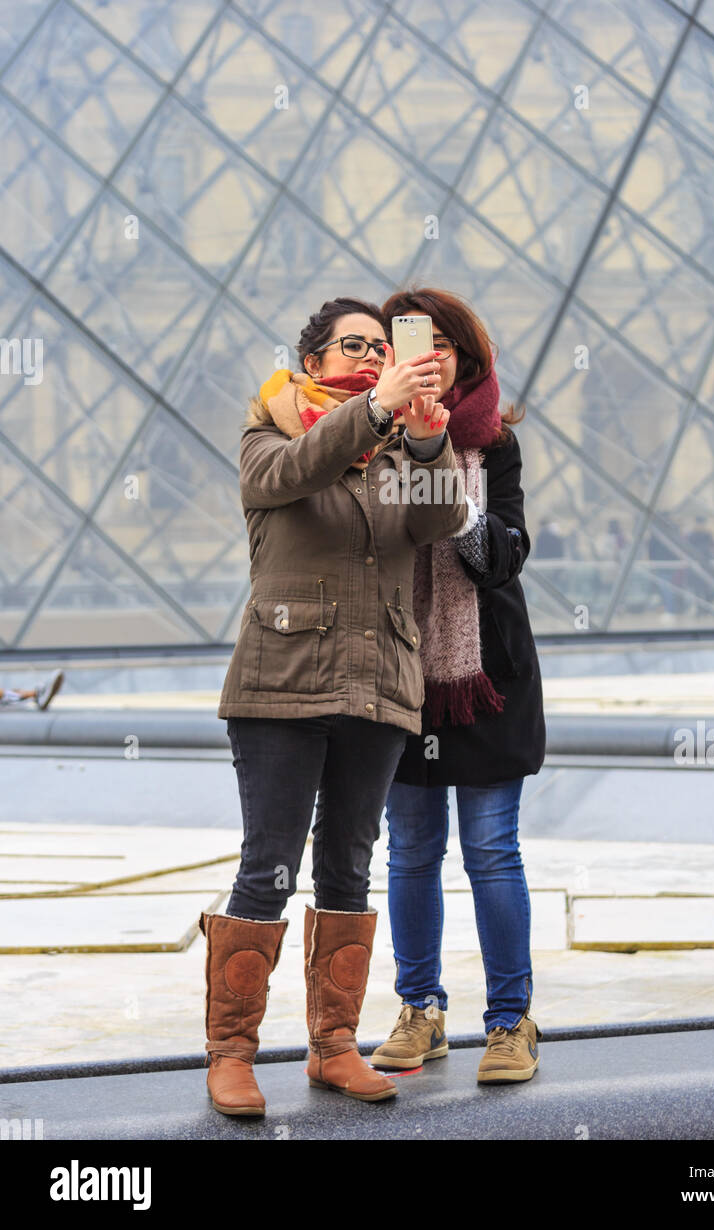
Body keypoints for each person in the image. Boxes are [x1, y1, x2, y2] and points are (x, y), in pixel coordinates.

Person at [202, 297, 470, 1116]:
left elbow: (442, 520)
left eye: (384, 347)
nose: (372, 355)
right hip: (281, 682)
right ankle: (231, 1055)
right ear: (312, 361)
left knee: (350, 865)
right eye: (353, 346)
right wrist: (378, 406)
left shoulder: (401, 450)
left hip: (380, 685)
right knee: (268, 866)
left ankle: (334, 1047)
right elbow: (292, 475)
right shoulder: (269, 434)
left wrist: (425, 435)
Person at [370, 287, 546, 1085]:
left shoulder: (495, 445)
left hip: (486, 675)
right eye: (413, 338)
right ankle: (420, 1010)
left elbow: (500, 557)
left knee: (489, 850)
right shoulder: (368, 439)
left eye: (443, 339)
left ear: (466, 353)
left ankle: (510, 1022)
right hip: (402, 669)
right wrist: (400, 438)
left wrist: (445, 469)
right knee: (410, 850)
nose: (430, 351)